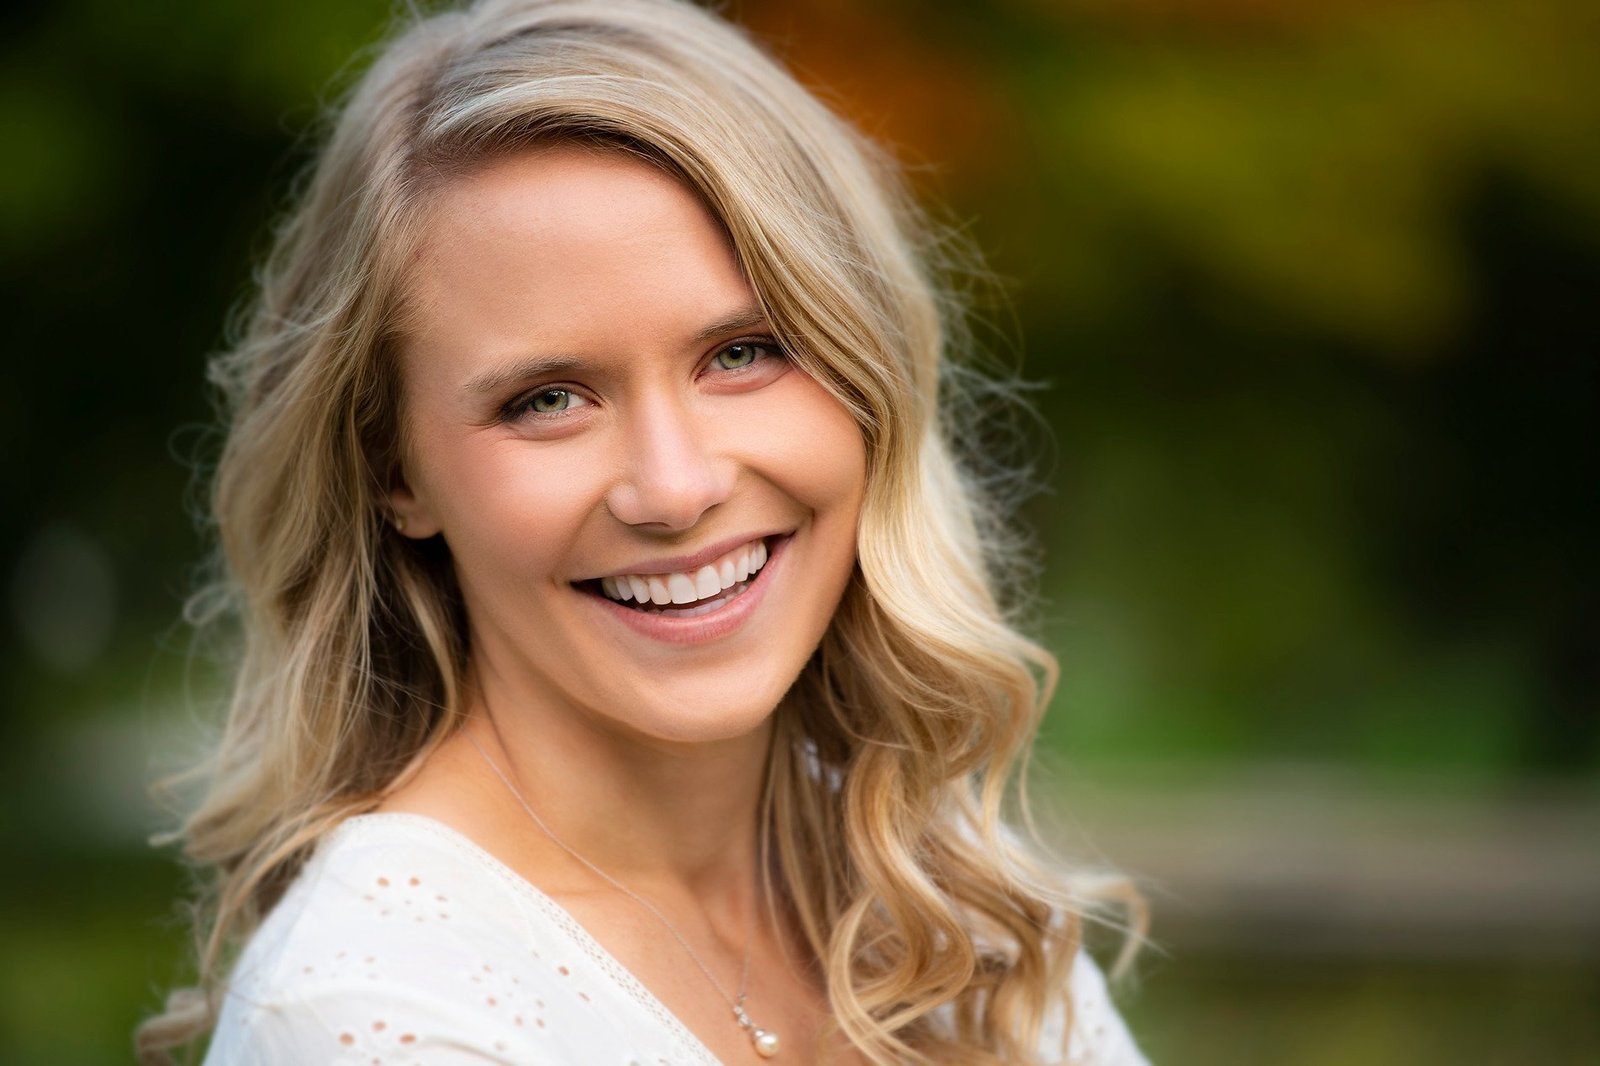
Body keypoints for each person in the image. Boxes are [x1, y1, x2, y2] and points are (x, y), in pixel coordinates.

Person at [138, 1, 1149, 1062]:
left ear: (866, 369)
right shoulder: (371, 1004)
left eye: (744, 352)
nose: (673, 488)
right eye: (547, 399)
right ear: (394, 471)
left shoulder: (933, 886)